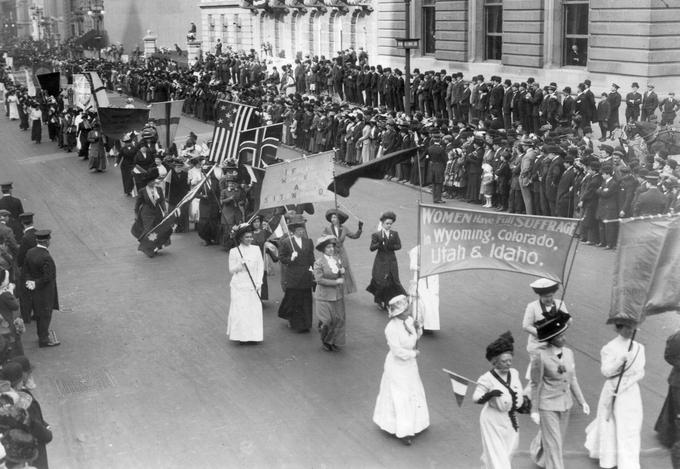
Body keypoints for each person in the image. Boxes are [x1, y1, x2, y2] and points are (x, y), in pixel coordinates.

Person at [529, 311, 590, 469]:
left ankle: (540, 456)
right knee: (555, 444)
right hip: (547, 405)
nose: (564, 338)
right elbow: (535, 384)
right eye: (559, 337)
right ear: (551, 339)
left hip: (565, 404)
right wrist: (534, 410)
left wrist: (582, 401)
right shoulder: (540, 357)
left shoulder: (569, 353)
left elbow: (573, 379)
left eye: (564, 334)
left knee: (556, 441)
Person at [585, 319, 645, 469]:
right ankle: (610, 459)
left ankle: (628, 462)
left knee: (630, 426)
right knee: (610, 423)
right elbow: (606, 372)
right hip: (612, 389)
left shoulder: (639, 347)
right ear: (619, 328)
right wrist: (620, 361)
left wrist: (628, 383)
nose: (631, 331)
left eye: (632, 328)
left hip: (630, 392)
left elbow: (641, 371)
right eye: (627, 328)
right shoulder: (609, 348)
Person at [372, 294, 429, 445]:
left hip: (410, 366)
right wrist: (413, 354)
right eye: (405, 311)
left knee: (413, 391)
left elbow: (415, 338)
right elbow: (397, 351)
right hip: (397, 366)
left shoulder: (410, 321)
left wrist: (418, 329)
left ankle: (416, 423)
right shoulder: (391, 328)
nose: (408, 312)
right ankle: (403, 431)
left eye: (407, 309)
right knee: (400, 396)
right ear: (397, 313)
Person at [473, 332, 529, 469]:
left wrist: (523, 403)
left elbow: (518, 392)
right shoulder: (487, 378)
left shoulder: (514, 373)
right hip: (492, 421)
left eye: (510, 360)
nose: (508, 364)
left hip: (510, 420)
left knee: (508, 452)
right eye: (504, 361)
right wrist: (489, 395)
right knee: (498, 456)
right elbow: (476, 397)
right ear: (495, 362)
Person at [226, 223, 264, 344]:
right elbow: (231, 270)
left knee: (253, 310)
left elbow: (260, 267)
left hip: (253, 284)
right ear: (241, 238)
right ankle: (241, 336)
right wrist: (240, 265)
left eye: (250, 237)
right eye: (247, 237)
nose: (249, 239)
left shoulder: (256, 249)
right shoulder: (234, 251)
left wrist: (259, 282)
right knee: (241, 310)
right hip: (239, 285)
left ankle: (254, 336)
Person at [277, 214, 315, 333]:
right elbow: (282, 258)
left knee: (306, 299)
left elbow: (311, 257)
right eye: (299, 229)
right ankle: (295, 322)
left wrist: (312, 269)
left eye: (302, 229)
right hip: (293, 275)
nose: (301, 231)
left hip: (306, 274)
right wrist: (291, 259)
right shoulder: (287, 242)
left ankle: (306, 323)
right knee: (294, 298)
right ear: (293, 230)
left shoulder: (308, 241)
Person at [22, 230, 60, 348]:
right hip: (45, 291)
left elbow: (26, 270)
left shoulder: (30, 252)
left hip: (34, 290)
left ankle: (41, 335)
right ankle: (44, 339)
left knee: (39, 313)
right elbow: (48, 277)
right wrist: (36, 283)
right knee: (46, 314)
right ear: (47, 241)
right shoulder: (46, 257)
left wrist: (30, 282)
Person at [366, 211, 406, 311]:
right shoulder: (377, 235)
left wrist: (391, 246)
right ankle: (379, 300)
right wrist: (379, 243)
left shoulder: (394, 234)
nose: (389, 225)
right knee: (381, 282)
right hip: (381, 261)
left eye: (390, 224)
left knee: (394, 281)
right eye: (387, 223)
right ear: (382, 224)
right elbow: (371, 248)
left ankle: (390, 301)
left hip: (392, 261)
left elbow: (399, 246)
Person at [313, 235, 346, 352]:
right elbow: (319, 280)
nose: (331, 249)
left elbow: (340, 275)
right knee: (327, 321)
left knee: (338, 320)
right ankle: (325, 339)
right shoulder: (318, 263)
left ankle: (332, 341)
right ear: (323, 250)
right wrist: (336, 281)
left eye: (332, 246)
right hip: (323, 296)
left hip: (337, 295)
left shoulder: (337, 260)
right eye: (328, 247)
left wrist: (342, 273)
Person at [321, 208, 362, 295]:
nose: (333, 219)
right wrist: (330, 240)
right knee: (333, 269)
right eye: (332, 218)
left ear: (339, 219)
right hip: (332, 252)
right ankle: (332, 289)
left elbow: (354, 236)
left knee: (344, 269)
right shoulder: (327, 229)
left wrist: (359, 228)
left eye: (335, 217)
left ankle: (343, 289)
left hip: (342, 252)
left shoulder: (344, 228)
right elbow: (323, 239)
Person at [655, 329, 680, 467]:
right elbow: (669, 355)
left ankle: (668, 434)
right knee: (677, 411)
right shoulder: (678, 337)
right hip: (678, 382)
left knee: (673, 410)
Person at [408, 245, 440, 333]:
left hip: (432, 279)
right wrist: (422, 268)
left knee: (432, 301)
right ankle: (419, 324)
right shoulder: (415, 250)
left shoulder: (435, 248)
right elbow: (412, 266)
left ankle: (430, 325)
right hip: (420, 279)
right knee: (420, 301)